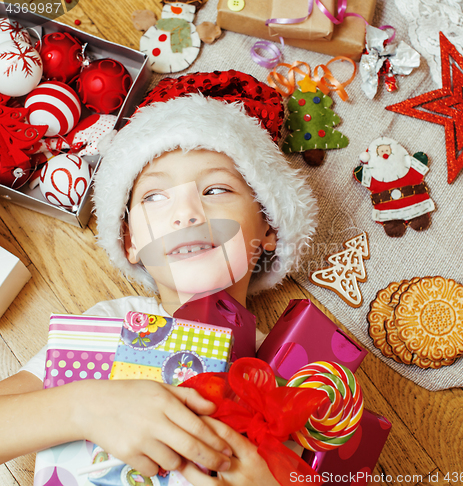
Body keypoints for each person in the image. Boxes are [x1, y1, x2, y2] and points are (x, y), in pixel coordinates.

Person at [0, 71, 317, 485]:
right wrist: (85, 407)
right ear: (130, 242)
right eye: (153, 197)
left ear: (269, 227)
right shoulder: (111, 325)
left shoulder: (292, 375)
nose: (185, 214)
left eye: (216, 190)